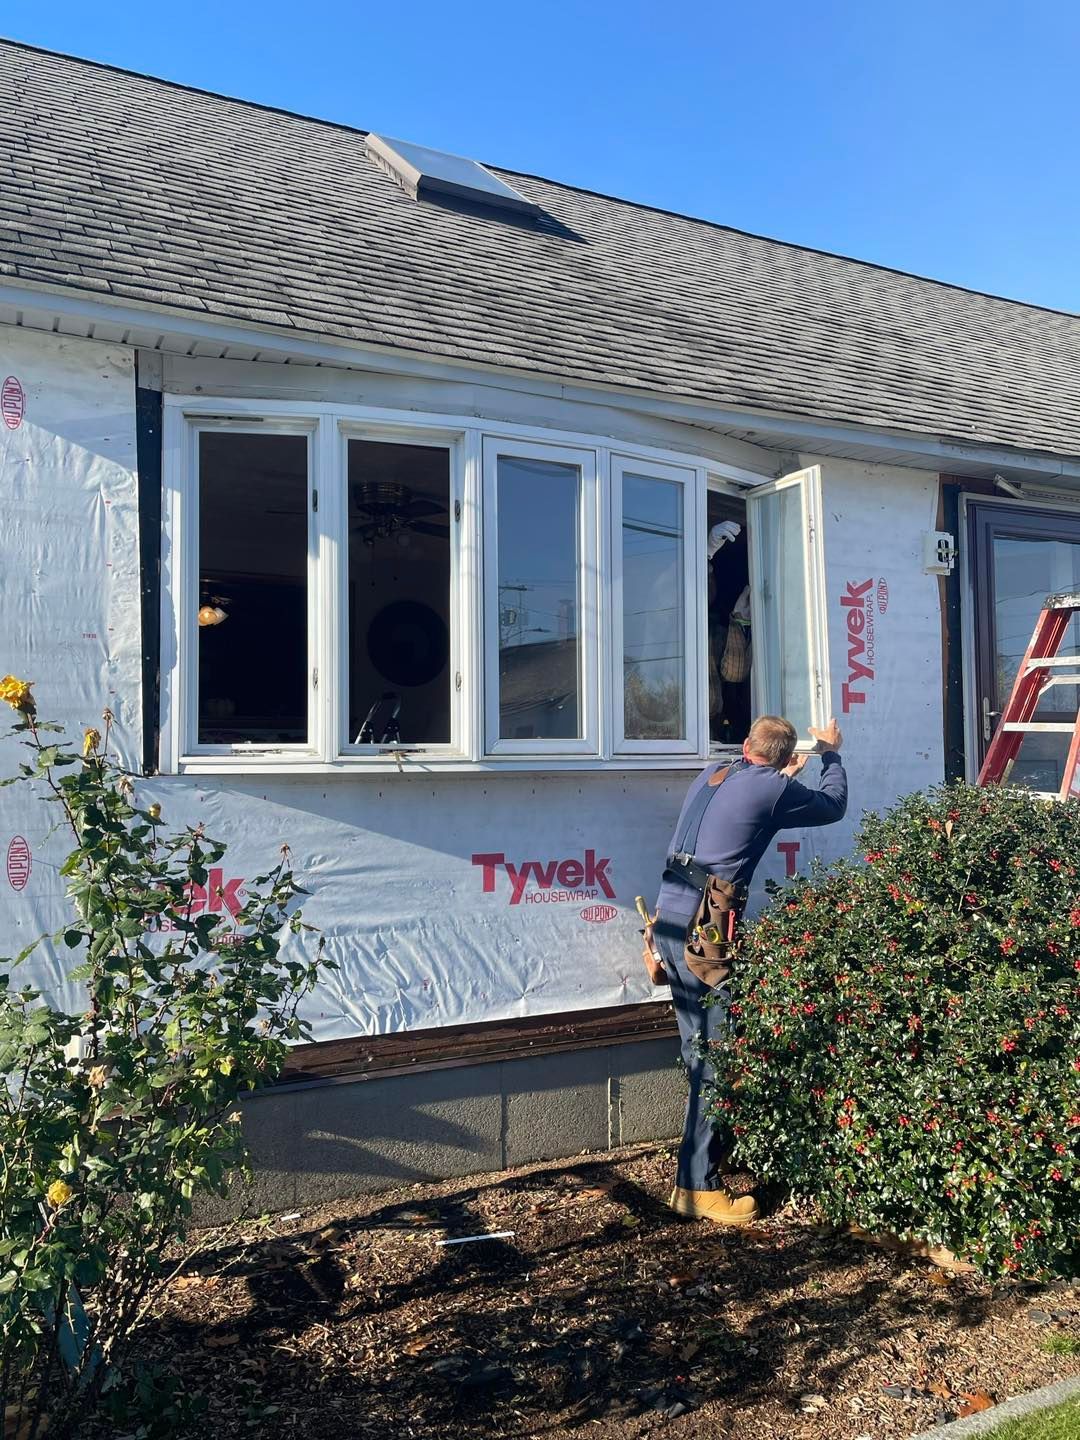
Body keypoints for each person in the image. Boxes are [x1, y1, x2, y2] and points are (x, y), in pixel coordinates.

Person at [644, 715, 847, 1225]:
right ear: (782, 760)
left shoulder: (715, 773)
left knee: (699, 1050)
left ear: (745, 746)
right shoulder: (775, 790)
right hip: (704, 936)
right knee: (718, 1058)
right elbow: (834, 806)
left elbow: (752, 799)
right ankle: (697, 1186)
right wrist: (830, 755)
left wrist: (781, 775)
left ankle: (704, 1159)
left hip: (667, 925)